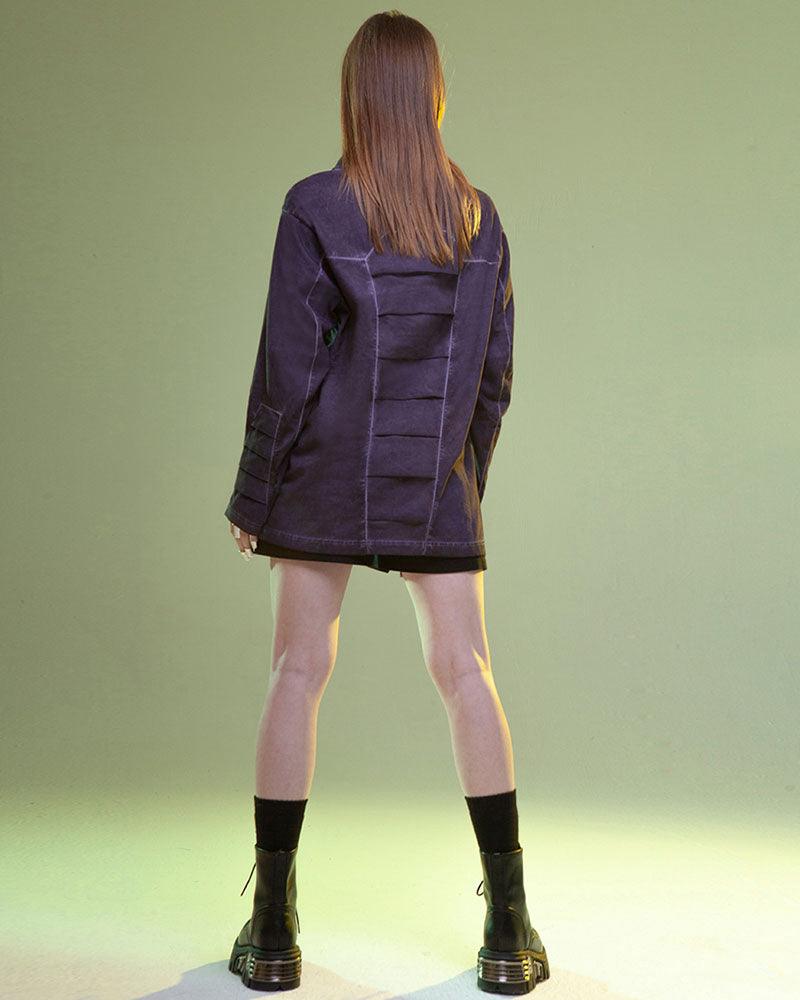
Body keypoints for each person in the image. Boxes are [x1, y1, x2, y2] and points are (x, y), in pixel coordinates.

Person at [224, 10, 549, 995]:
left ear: (356, 95)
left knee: (295, 671)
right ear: (433, 96)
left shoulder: (314, 206)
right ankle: (509, 928)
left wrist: (254, 491)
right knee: (467, 673)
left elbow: (287, 366)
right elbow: (493, 379)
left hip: (321, 472)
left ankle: (271, 929)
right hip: (429, 481)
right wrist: (457, 483)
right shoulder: (478, 218)